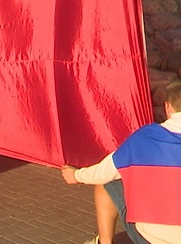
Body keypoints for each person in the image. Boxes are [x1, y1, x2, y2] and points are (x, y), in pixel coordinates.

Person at [60, 80, 181, 244]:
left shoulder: (143, 138)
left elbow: (104, 171)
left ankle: (104, 242)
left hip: (150, 239)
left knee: (106, 182)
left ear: (167, 108)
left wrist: (75, 175)